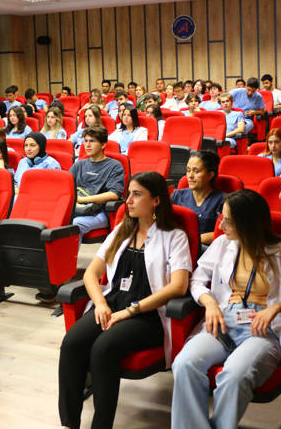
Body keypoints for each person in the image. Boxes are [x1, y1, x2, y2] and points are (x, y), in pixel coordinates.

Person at [58, 171, 192, 429]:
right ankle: (69, 423)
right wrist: (100, 303)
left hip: (148, 315)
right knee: (72, 343)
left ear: (156, 200)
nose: (128, 200)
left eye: (137, 194)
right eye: (129, 193)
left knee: (103, 348)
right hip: (112, 304)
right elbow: (91, 274)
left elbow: (179, 286)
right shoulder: (122, 230)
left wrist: (130, 312)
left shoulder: (174, 236)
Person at [170, 190, 281, 429]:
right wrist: (209, 302)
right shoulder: (223, 244)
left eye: (228, 221)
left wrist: (278, 306)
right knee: (184, 364)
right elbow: (197, 280)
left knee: (234, 375)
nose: (221, 225)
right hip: (224, 320)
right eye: (221, 218)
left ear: (248, 223)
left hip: (262, 330)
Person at [69, 127, 124, 242]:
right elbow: (66, 187)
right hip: (76, 209)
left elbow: (114, 194)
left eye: (92, 141)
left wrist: (83, 199)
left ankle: (67, 255)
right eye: (86, 141)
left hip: (100, 212)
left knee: (75, 225)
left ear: (103, 145)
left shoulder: (114, 166)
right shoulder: (79, 164)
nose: (87, 145)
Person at [171, 151, 225, 246]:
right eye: (188, 170)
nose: (190, 176)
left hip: (208, 249)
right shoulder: (177, 195)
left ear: (210, 175)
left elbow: (227, 232)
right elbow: (159, 218)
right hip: (177, 245)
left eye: (196, 171)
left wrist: (194, 239)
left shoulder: (223, 200)